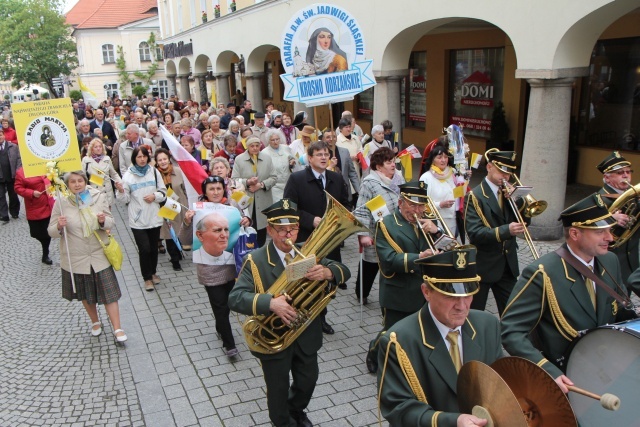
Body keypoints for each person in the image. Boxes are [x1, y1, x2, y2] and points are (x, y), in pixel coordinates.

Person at [228, 199, 350, 427]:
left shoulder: (308, 253)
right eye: (282, 230)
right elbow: (235, 298)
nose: (289, 235)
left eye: (293, 229)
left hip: (306, 334)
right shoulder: (255, 260)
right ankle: (282, 421)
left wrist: (327, 272)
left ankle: (295, 410)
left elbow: (344, 271)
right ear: (271, 230)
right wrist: (271, 303)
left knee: (308, 381)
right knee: (278, 388)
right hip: (273, 339)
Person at [501, 193, 637, 391]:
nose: (610, 237)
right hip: (567, 376)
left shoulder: (610, 261)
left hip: (607, 368)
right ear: (575, 234)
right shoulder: (543, 273)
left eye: (609, 230)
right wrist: (546, 369)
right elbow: (511, 331)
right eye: (600, 232)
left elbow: (620, 312)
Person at [377, 246, 501, 426]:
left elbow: (498, 380)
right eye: (451, 296)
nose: (462, 306)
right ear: (426, 292)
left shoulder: (488, 325)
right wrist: (453, 421)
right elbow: (398, 408)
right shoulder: (399, 341)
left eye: (468, 294)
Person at [366, 181, 441, 373]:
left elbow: (448, 248)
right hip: (399, 290)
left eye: (421, 205)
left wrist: (437, 232)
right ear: (400, 203)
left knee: (422, 328)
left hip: (426, 290)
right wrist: (419, 258)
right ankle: (374, 351)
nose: (418, 210)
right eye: (413, 205)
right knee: (391, 332)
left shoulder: (429, 221)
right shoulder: (386, 225)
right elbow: (389, 260)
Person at [47, 171, 127, 343]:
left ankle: (118, 328)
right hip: (76, 256)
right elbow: (51, 230)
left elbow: (111, 222)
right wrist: (59, 227)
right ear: (67, 185)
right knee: (84, 292)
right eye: (73, 182)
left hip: (98, 252)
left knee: (109, 293)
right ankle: (95, 321)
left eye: (80, 181)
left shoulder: (97, 196)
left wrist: (102, 221)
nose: (77, 184)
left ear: (85, 181)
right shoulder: (61, 202)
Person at [283, 140, 351, 334]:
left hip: (330, 239)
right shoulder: (296, 179)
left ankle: (321, 317)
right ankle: (298, 315)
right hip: (306, 238)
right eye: (319, 155)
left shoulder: (336, 178)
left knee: (326, 279)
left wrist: (339, 218)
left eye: (326, 155)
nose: (323, 158)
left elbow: (346, 204)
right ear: (309, 158)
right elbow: (288, 206)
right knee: (305, 280)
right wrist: (310, 219)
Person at [464, 149, 523, 315]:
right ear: (489, 167)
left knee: (513, 313)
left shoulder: (509, 192)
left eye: (508, 174)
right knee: (476, 315)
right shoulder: (475, 196)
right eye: (502, 172)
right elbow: (475, 233)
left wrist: (518, 200)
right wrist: (506, 230)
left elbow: (525, 221)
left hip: (507, 265)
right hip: (484, 265)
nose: (505, 177)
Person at [353, 147, 404, 305]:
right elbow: (361, 210)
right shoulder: (369, 183)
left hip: (392, 232)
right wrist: (363, 235)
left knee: (389, 263)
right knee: (370, 264)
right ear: (378, 166)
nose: (393, 165)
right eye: (388, 162)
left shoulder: (396, 180)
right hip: (374, 233)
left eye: (393, 161)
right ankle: (361, 292)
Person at [116, 146, 166, 291]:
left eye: (144, 156)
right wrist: (120, 191)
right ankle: (147, 278)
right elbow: (124, 199)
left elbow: (163, 192)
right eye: (139, 157)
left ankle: (153, 272)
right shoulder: (128, 176)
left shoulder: (154, 172)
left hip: (154, 217)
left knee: (153, 248)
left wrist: (154, 196)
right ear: (134, 159)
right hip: (138, 220)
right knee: (144, 249)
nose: (142, 159)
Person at [596, 151, 639, 284]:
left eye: (628, 171)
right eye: (620, 173)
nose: (626, 175)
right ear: (607, 178)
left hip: (630, 261)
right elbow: (581, 226)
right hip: (607, 262)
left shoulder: (634, 198)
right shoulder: (598, 199)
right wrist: (610, 218)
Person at [231, 136, 277, 247]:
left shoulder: (267, 158)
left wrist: (261, 185)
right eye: (252, 146)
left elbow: (274, 178)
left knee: (261, 229)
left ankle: (260, 250)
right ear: (247, 147)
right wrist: (247, 182)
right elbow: (234, 180)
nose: (255, 148)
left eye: (257, 145)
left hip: (263, 200)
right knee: (248, 228)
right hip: (246, 201)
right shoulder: (239, 159)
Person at [420, 145, 464, 238]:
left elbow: (459, 193)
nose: (443, 160)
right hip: (436, 221)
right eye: (439, 157)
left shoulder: (453, 173)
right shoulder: (426, 178)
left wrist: (465, 178)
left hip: (453, 220)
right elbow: (422, 203)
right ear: (432, 160)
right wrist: (440, 204)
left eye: (445, 157)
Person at [155, 148, 188, 271]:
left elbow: (185, 189)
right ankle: (174, 260)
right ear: (156, 162)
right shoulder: (155, 174)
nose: (163, 162)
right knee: (169, 234)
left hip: (179, 206)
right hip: (164, 208)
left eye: (164, 159)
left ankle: (178, 252)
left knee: (179, 231)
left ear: (169, 159)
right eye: (160, 160)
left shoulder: (178, 171)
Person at [14, 168, 53, 264]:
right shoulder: (21, 172)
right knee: (36, 232)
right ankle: (44, 246)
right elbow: (17, 188)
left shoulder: (45, 167)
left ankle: (45, 253)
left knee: (47, 232)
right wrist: (31, 193)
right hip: (34, 206)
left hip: (48, 204)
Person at [322, 129, 360, 206]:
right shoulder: (321, 154)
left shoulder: (345, 152)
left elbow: (352, 173)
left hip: (344, 191)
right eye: (328, 137)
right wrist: (330, 166)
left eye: (334, 136)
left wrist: (359, 191)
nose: (331, 139)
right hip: (327, 192)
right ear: (323, 139)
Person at [82, 138, 123, 208]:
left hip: (107, 191)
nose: (98, 149)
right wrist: (85, 197)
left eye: (100, 146)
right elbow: (83, 178)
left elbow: (113, 174)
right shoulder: (86, 160)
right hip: (94, 192)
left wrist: (120, 183)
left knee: (108, 216)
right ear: (91, 149)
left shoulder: (107, 159)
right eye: (96, 147)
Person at [262, 130, 295, 201]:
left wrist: (292, 163)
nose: (275, 141)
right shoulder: (264, 153)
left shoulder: (286, 148)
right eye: (272, 140)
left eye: (277, 139)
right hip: (275, 187)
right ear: (268, 141)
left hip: (288, 184)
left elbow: (291, 159)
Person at [0, 128, 21, 221]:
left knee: (13, 195)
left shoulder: (13, 146)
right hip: (0, 176)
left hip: (11, 175)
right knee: (1, 196)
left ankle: (14, 212)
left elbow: (18, 160)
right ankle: (4, 215)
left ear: (4, 136)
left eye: (0, 135)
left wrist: (17, 172)